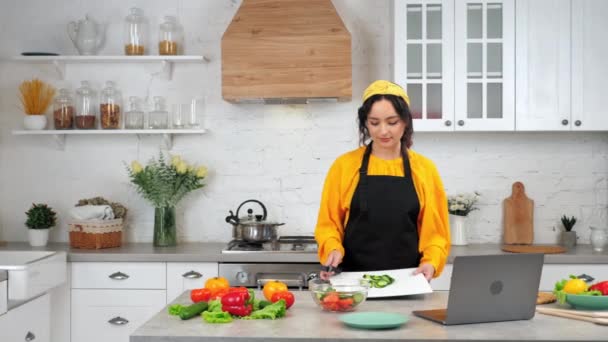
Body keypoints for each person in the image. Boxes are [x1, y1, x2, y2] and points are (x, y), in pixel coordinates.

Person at [314, 80, 450, 281]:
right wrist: (333, 249)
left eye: (392, 122)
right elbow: (328, 224)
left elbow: (436, 234)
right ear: (365, 123)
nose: (383, 131)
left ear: (405, 122)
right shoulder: (344, 166)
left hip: (409, 282)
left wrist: (431, 262)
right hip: (353, 285)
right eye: (374, 123)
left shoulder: (424, 169)